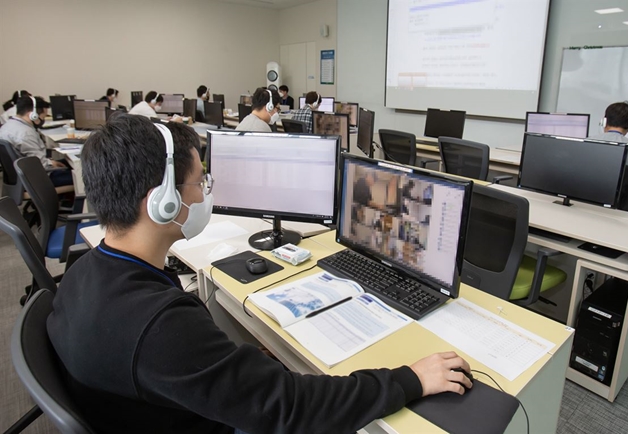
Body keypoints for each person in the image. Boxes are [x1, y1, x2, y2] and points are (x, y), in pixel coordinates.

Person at [46, 114, 472, 433]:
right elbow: (291, 408)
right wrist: (408, 380)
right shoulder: (159, 326)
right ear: (162, 201)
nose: (207, 192)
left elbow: (187, 359)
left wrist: (232, 364)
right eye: (200, 182)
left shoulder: (85, 271)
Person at [0, 96, 72, 187]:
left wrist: (50, 162)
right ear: (32, 115)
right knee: (83, 175)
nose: (43, 120)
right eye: (43, 117)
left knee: (67, 162)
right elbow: (41, 165)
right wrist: (50, 163)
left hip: (22, 175)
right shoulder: (25, 133)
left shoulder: (8, 126)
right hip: (38, 180)